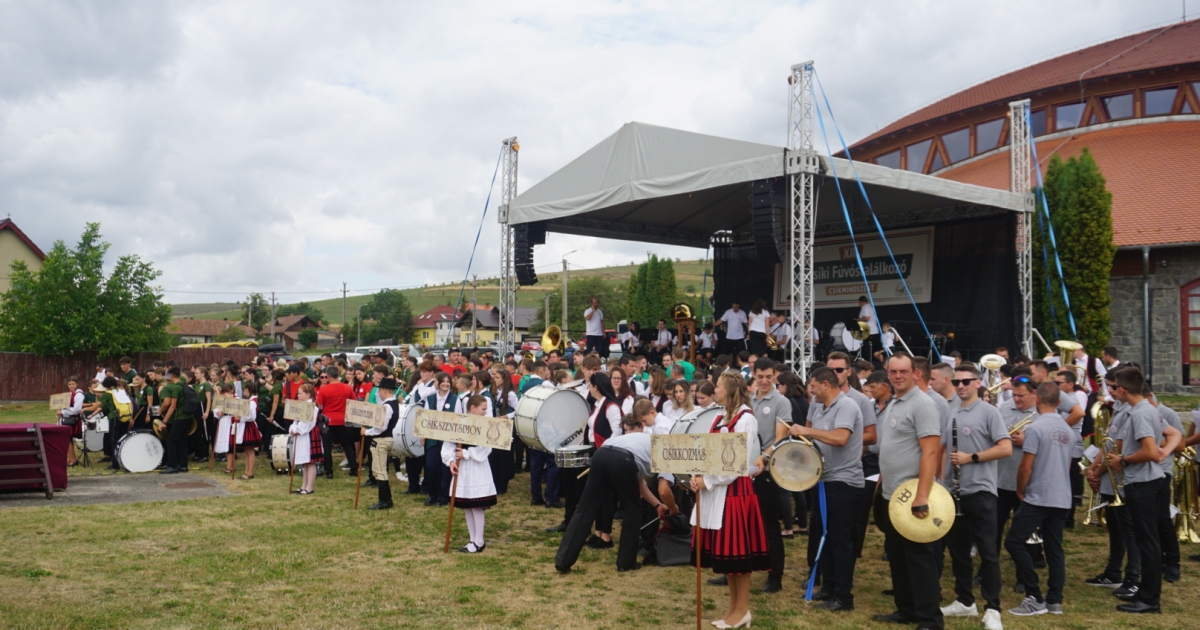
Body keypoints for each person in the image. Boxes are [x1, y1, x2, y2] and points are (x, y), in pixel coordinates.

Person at [691, 371, 769, 628]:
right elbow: (707, 451)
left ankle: (742, 609)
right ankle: (733, 608)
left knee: (738, 553)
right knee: (727, 553)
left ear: (730, 389)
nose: (716, 391)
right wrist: (698, 474)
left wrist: (709, 480)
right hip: (716, 490)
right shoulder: (719, 416)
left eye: (719, 387)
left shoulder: (745, 420)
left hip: (735, 492)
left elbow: (734, 464)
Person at [874, 352, 944, 629]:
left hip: (912, 494)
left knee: (919, 560)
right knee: (899, 557)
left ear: (915, 373)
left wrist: (922, 496)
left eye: (904, 371)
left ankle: (929, 619)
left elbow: (930, 453)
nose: (898, 376)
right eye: (894, 372)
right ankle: (906, 608)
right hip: (891, 493)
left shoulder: (923, 405)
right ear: (887, 373)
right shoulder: (895, 402)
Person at [938, 365, 1011, 630]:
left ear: (978, 382)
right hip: (954, 492)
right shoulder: (952, 412)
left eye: (966, 381)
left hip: (981, 490)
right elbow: (944, 450)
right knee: (958, 551)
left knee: (988, 552)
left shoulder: (990, 412)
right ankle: (965, 600)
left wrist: (972, 458)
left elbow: (1005, 447)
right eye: (957, 382)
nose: (961, 386)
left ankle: (993, 608)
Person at [1105, 368, 1180, 614]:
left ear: (1124, 390)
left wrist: (1123, 461)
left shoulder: (1139, 414)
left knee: (1146, 541)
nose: (1114, 391)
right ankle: (1148, 594)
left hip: (1143, 484)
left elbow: (1148, 451)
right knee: (1150, 540)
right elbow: (1172, 436)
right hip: (1153, 480)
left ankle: (1149, 599)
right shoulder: (1149, 408)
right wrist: (1165, 451)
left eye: (1116, 387)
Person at [555, 412, 670, 573]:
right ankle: (626, 562)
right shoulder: (666, 451)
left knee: (584, 509)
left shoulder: (637, 440)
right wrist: (672, 508)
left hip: (602, 454)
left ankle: (563, 560)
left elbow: (639, 482)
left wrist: (656, 505)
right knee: (632, 510)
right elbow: (664, 490)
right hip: (623, 460)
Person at [792, 366, 865, 612]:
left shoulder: (846, 406)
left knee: (840, 540)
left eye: (813, 385)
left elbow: (840, 438)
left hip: (844, 482)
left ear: (825, 384)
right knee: (825, 536)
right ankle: (830, 587)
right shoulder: (819, 406)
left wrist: (807, 431)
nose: (810, 390)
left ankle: (844, 597)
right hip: (824, 480)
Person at [1005, 383, 1074, 617]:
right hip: (1062, 495)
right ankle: (1055, 600)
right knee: (1054, 548)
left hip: (1040, 494)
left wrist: (1020, 489)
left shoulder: (1035, 428)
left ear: (1037, 399)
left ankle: (1034, 595)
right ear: (1058, 402)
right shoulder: (1067, 428)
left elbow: (1026, 466)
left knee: (1014, 541)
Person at [443, 395, 498, 553]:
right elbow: (448, 443)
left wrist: (466, 453)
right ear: (472, 408)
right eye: (483, 409)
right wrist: (451, 461)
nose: (485, 412)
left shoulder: (485, 426)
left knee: (476, 505)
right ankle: (472, 539)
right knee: (467, 505)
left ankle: (479, 541)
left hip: (476, 468)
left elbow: (486, 448)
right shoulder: (459, 423)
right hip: (463, 469)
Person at [365, 377, 401, 510]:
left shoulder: (387, 406)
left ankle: (385, 500)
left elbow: (381, 427)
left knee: (380, 470)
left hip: (382, 439)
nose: (378, 393)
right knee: (378, 469)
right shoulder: (393, 403)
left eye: (379, 390)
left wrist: (367, 433)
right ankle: (384, 499)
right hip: (384, 439)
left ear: (385, 390)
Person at [316, 366, 358, 479]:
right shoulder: (347, 388)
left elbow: (319, 405)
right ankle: (354, 468)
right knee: (347, 445)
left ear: (328, 376)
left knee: (327, 447)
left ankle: (329, 471)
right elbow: (354, 402)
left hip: (328, 421)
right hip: (342, 420)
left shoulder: (324, 389)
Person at [423, 372, 457, 506]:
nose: (445, 384)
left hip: (448, 440)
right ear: (437, 383)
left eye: (448, 381)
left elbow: (458, 419)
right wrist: (423, 435)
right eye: (443, 381)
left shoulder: (455, 399)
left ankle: (443, 497)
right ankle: (432, 495)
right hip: (432, 439)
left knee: (444, 468)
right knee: (431, 467)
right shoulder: (430, 398)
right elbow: (425, 418)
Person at [158, 367, 195, 475]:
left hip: (180, 417)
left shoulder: (175, 388)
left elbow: (172, 406)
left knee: (170, 440)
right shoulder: (183, 385)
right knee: (182, 440)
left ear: (170, 376)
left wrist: (164, 421)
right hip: (188, 416)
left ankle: (172, 465)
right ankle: (183, 465)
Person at [289, 384, 323, 495]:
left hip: (308, 434)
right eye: (298, 393)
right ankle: (304, 486)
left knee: (310, 461)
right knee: (305, 462)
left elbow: (308, 424)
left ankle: (309, 487)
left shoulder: (312, 407)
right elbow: (295, 420)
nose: (298, 395)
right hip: (301, 435)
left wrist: (298, 430)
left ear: (308, 394)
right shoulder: (300, 406)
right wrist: (293, 429)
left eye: (300, 393)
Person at [59, 377, 85, 466]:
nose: (71, 386)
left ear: (77, 384)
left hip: (73, 419)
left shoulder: (79, 395)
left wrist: (62, 411)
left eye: (73, 384)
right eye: (69, 384)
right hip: (66, 418)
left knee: (68, 438)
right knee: (67, 439)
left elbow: (76, 409)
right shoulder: (68, 394)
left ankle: (73, 460)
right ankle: (70, 459)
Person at [855, 296, 881, 362]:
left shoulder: (865, 307)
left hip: (869, 331)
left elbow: (867, 318)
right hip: (874, 331)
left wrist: (858, 320)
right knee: (875, 350)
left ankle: (868, 362)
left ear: (860, 302)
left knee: (867, 349)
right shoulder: (870, 307)